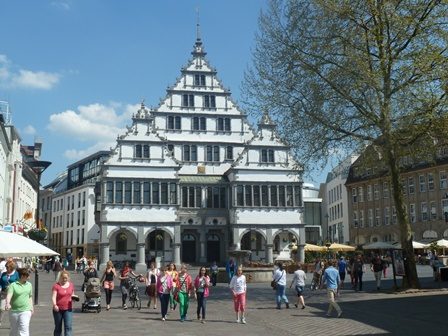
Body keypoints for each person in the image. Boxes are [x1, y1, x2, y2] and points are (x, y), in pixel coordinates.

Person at [5, 268, 33, 335]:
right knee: (14, 330)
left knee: (24, 329)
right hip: (14, 311)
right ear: (22, 276)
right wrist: (7, 303)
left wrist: (31, 307)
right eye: (27, 276)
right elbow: (9, 295)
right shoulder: (13, 285)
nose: (28, 277)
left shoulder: (29, 285)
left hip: (26, 310)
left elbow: (30, 296)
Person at [52, 271, 76, 336]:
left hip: (68, 309)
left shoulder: (71, 285)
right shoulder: (56, 286)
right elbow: (54, 297)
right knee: (58, 327)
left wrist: (74, 298)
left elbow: (72, 294)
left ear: (68, 278)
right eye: (63, 278)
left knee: (68, 327)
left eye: (66, 278)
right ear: (60, 277)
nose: (64, 279)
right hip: (58, 309)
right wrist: (55, 305)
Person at [0, 260, 19, 327]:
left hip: (13, 294)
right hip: (4, 293)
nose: (6, 269)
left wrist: (12, 286)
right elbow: (1, 282)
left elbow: (18, 283)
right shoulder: (4, 274)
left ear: (12, 267)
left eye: (8, 267)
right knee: (1, 308)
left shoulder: (16, 274)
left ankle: (13, 323)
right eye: (6, 267)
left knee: (12, 310)